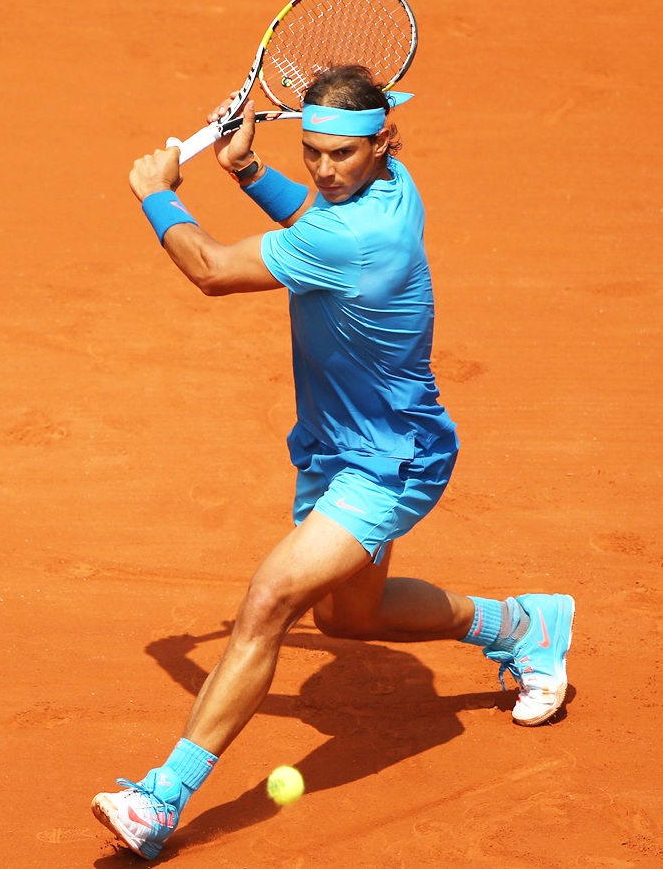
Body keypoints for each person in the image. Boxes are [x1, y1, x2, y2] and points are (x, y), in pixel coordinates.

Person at [91, 65, 575, 861]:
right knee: (349, 619)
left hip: (389, 461)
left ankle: (159, 798)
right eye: (311, 152)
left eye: (339, 156)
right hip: (340, 444)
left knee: (270, 599)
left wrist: (156, 193)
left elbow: (212, 270)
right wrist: (248, 171)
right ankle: (526, 625)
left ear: (383, 139)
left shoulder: (354, 237)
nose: (321, 170)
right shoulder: (387, 191)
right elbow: (313, 217)